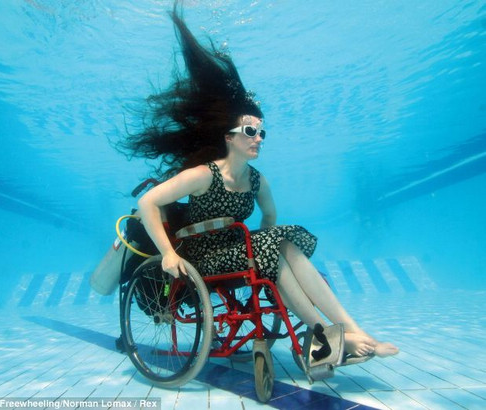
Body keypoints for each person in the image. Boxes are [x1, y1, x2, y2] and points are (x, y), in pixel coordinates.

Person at [121, 1, 399, 359]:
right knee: (273, 247)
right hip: (202, 258)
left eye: (262, 132)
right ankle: (330, 334)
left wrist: (260, 241)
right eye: (250, 131)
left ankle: (346, 332)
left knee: (281, 246)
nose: (259, 138)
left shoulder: (257, 181)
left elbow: (270, 217)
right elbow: (147, 202)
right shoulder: (203, 175)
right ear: (229, 137)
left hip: (238, 251)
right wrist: (169, 254)